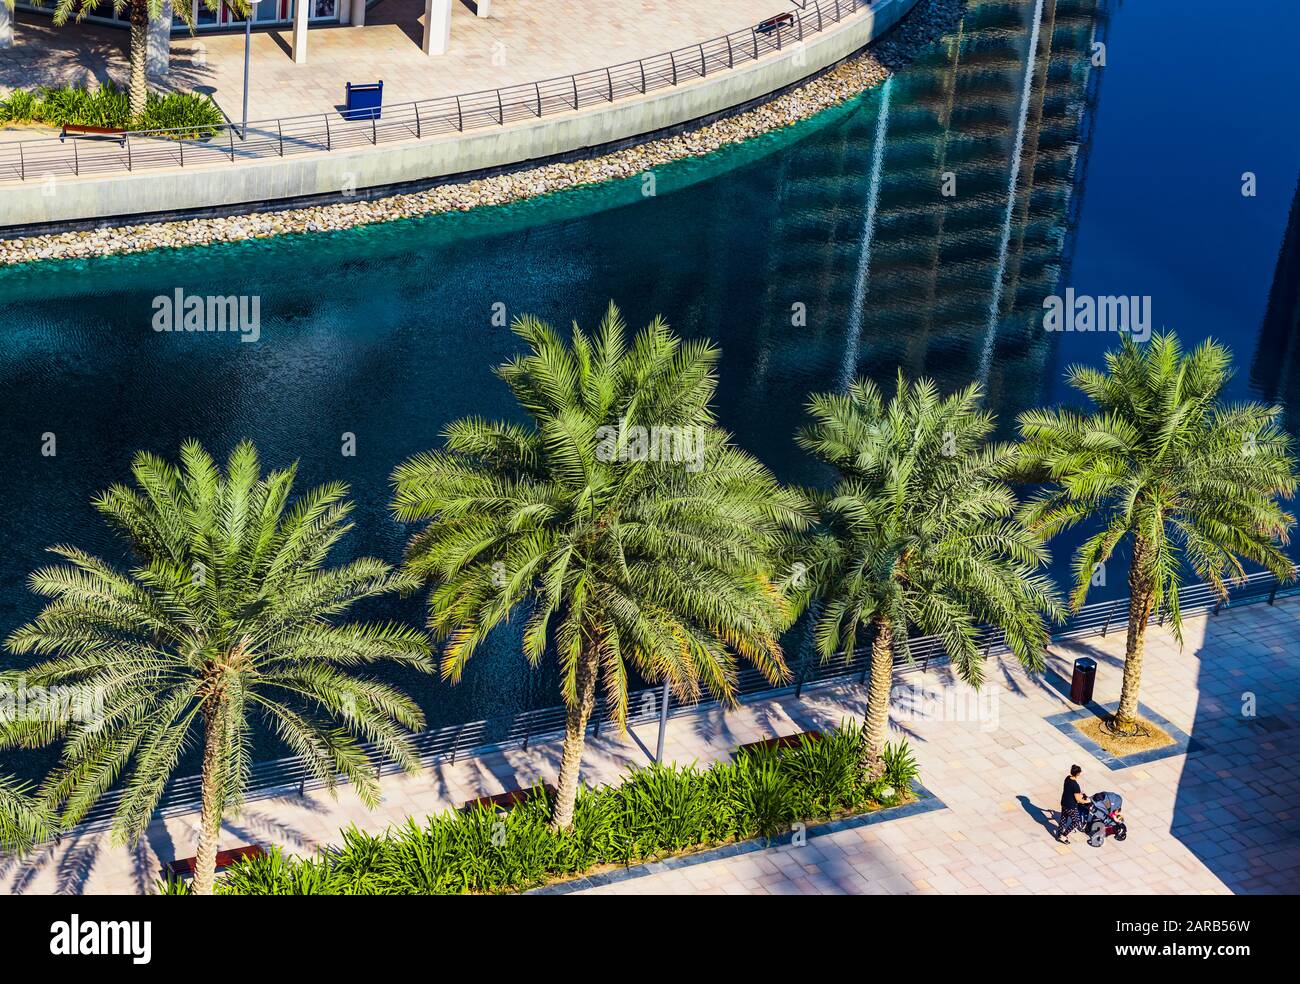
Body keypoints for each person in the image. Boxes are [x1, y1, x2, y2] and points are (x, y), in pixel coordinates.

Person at [1057, 764, 1090, 844]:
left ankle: (1060, 833)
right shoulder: (1075, 785)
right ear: (1078, 774)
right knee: (1076, 821)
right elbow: (1078, 799)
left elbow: (1070, 791)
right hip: (1070, 806)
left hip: (1064, 802)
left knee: (1063, 818)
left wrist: (1078, 792)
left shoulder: (1067, 778)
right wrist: (1087, 801)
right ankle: (1063, 836)